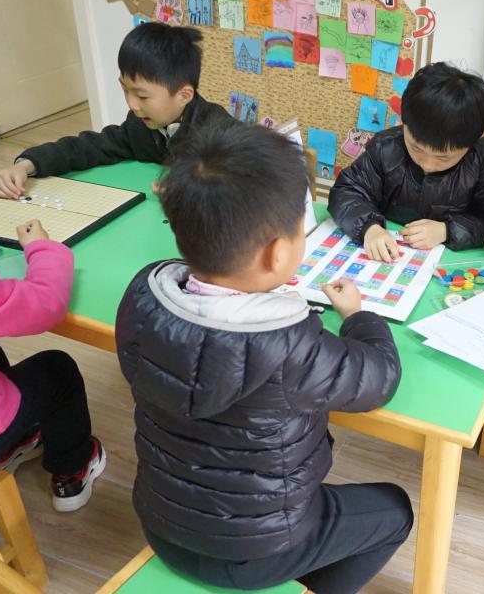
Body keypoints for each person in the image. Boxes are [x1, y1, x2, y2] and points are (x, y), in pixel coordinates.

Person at [116, 124, 411, 593]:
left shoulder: (143, 300)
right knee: (395, 511)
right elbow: (379, 378)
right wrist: (358, 316)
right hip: (256, 552)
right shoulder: (287, 344)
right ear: (277, 254)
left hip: (162, 524)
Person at [0, 203, 105, 512]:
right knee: (56, 369)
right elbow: (44, 305)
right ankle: (71, 472)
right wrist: (44, 249)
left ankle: (15, 443)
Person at [0, 23, 235, 199]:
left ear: (184, 95)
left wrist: (190, 189)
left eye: (142, 96)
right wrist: (26, 165)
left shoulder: (219, 131)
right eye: (125, 90)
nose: (132, 104)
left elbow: (247, 180)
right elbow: (88, 147)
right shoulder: (140, 125)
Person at [329, 62, 484, 262]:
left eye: (443, 158)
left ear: (476, 138)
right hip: (393, 251)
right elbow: (346, 191)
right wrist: (369, 228)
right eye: (416, 148)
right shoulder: (385, 147)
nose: (427, 165)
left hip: (454, 261)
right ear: (404, 122)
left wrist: (448, 230)